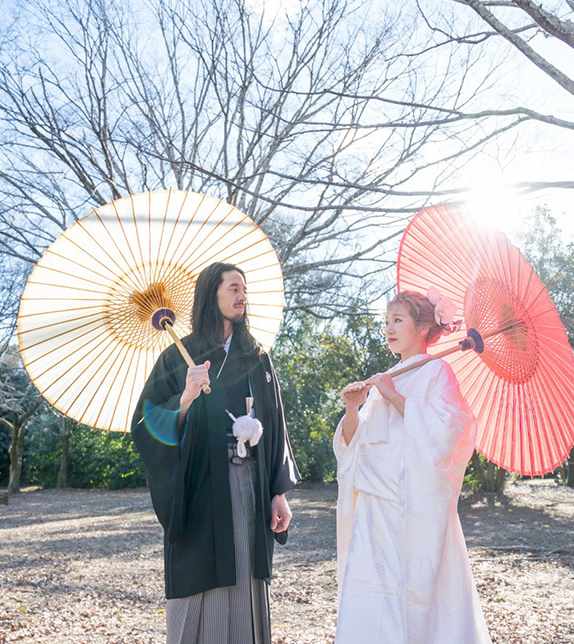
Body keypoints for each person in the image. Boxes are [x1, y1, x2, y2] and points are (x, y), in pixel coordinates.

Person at [132, 262, 298, 644]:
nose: (242, 296)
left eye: (244, 289)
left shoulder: (256, 355)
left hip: (251, 484)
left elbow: (274, 424)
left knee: (245, 571)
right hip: (201, 486)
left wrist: (279, 491)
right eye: (233, 288)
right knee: (200, 575)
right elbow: (145, 425)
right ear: (212, 294)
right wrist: (185, 399)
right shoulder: (179, 355)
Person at [333, 290, 491, 644]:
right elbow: (355, 447)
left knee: (412, 596)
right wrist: (354, 409)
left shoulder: (436, 371)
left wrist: (393, 395)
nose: (388, 328)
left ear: (423, 328)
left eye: (398, 320)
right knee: (372, 597)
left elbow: (450, 431)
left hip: (410, 507)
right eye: (386, 321)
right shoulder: (388, 376)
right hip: (373, 509)